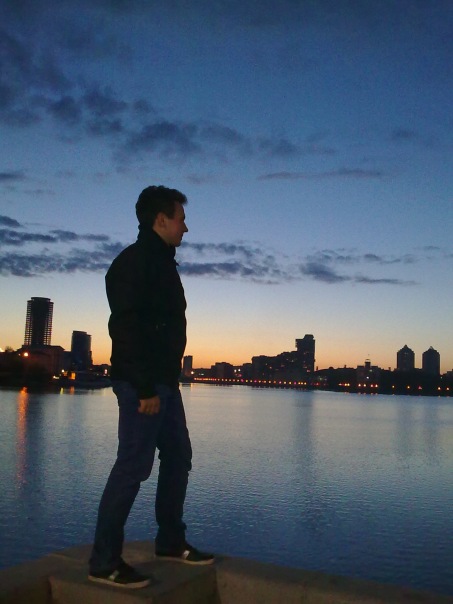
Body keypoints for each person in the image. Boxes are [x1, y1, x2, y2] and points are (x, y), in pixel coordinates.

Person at [88, 185, 214, 589]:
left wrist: (161, 382)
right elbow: (124, 328)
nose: (185, 227)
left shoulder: (161, 264)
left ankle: (170, 541)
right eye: (181, 219)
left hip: (163, 382)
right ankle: (104, 561)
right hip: (143, 384)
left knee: (178, 456)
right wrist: (143, 388)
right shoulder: (135, 263)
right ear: (161, 220)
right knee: (133, 466)